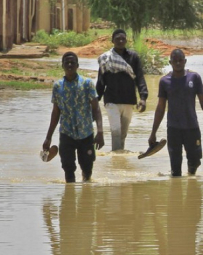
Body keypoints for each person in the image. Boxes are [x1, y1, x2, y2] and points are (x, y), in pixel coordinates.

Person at [148, 49, 203, 177]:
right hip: (174, 129)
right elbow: (160, 108)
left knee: (195, 162)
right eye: (174, 61)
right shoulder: (164, 81)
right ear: (170, 62)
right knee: (176, 170)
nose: (177, 63)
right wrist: (153, 133)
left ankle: (191, 177)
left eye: (180, 60)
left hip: (192, 127)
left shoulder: (194, 77)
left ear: (185, 61)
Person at [43, 52, 104, 183]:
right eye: (67, 62)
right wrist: (48, 138)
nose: (70, 65)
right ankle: (69, 199)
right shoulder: (58, 86)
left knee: (87, 171)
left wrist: (100, 132)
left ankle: (86, 199)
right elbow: (55, 113)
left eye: (72, 62)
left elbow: (96, 109)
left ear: (77, 65)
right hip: (66, 134)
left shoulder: (87, 83)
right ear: (62, 66)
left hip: (86, 133)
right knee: (68, 170)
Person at [96, 29, 148, 151]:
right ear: (112, 41)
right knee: (116, 131)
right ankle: (117, 156)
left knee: (123, 133)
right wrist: (95, 100)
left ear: (126, 40)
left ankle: (119, 159)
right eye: (117, 39)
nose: (120, 41)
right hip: (111, 100)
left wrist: (143, 97)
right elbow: (100, 81)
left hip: (128, 100)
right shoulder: (106, 58)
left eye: (123, 39)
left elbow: (139, 77)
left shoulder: (133, 57)